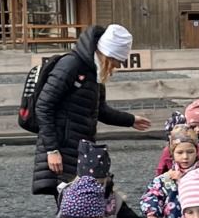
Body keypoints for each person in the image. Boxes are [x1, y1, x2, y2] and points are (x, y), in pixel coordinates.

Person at [32, 23, 152, 206]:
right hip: (62, 148)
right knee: (75, 209)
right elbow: (43, 106)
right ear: (107, 54)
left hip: (80, 149)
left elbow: (100, 111)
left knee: (82, 206)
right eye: (116, 62)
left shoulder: (94, 73)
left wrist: (131, 120)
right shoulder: (71, 65)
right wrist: (52, 150)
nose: (116, 67)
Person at [48, 137, 147, 218]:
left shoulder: (112, 198)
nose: (91, 189)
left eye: (96, 184)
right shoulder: (69, 195)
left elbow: (128, 217)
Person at [140, 130, 199, 218]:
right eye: (180, 152)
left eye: (190, 152)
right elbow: (151, 195)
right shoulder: (165, 179)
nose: (185, 157)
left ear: (197, 152)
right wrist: (152, 213)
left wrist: (184, 181)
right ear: (172, 153)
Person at [156, 98, 199, 175]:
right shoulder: (175, 143)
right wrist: (166, 177)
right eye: (193, 126)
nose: (197, 129)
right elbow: (162, 168)